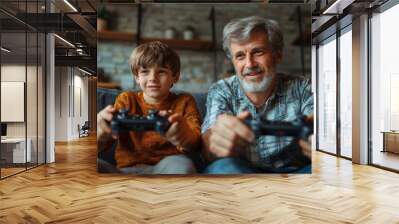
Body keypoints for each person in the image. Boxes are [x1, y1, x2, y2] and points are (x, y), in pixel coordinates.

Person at [201, 16, 313, 174]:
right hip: (242, 171)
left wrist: (320, 139)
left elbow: (318, 123)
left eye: (258, 52)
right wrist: (216, 142)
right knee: (223, 168)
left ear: (277, 55)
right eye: (240, 56)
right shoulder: (221, 90)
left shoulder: (302, 87)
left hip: (295, 171)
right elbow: (210, 141)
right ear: (233, 61)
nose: (250, 64)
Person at [97, 41, 201, 174]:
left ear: (175, 76)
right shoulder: (127, 99)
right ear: (137, 77)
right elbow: (102, 146)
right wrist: (100, 132)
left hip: (168, 167)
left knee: (183, 165)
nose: (153, 78)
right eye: (145, 72)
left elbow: (196, 142)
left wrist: (183, 135)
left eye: (161, 72)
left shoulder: (184, 101)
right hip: (126, 170)